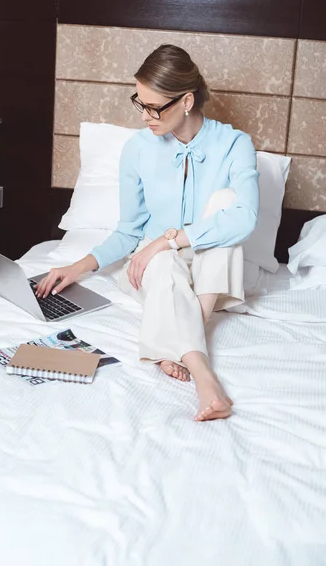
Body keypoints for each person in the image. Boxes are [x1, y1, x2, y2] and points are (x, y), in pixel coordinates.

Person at [36, 44, 259, 422]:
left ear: (187, 100)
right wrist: (77, 267)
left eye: (155, 107)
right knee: (161, 264)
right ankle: (202, 372)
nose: (145, 116)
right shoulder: (137, 149)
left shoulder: (235, 145)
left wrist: (167, 239)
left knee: (225, 205)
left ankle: (182, 337)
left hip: (213, 277)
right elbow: (128, 232)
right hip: (156, 271)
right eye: (140, 103)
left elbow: (245, 219)